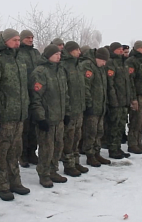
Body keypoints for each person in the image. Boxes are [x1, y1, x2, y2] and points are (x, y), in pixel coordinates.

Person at [0, 29, 30, 201]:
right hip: (3, 115)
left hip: (18, 115)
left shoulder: (19, 59)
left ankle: (15, 182)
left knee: (15, 150)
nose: (18, 43)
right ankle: (2, 185)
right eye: (14, 40)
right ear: (5, 41)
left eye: (18, 40)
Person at [30, 44, 70, 188]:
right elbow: (36, 97)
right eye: (56, 54)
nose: (59, 56)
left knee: (58, 146)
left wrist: (66, 113)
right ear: (48, 55)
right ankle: (44, 174)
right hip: (47, 118)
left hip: (58, 117)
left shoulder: (60, 71)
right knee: (47, 148)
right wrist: (40, 118)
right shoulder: (40, 72)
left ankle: (53, 170)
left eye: (60, 54)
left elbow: (65, 94)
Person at [80, 47, 112, 166]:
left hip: (100, 106)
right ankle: (90, 154)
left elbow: (103, 88)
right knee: (90, 132)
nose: (104, 64)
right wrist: (88, 104)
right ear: (98, 58)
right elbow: (86, 87)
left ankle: (97, 152)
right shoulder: (88, 66)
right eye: (103, 61)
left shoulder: (100, 68)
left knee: (99, 131)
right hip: (92, 107)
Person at [61, 41, 87, 176]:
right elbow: (64, 90)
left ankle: (76, 162)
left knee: (77, 137)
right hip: (70, 110)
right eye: (76, 50)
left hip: (79, 108)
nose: (79, 52)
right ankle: (68, 164)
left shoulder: (77, 65)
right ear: (70, 51)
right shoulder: (64, 66)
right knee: (69, 138)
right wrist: (67, 109)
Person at [105, 42, 133, 159]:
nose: (121, 51)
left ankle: (118, 148)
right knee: (114, 126)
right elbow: (110, 84)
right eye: (118, 49)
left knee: (121, 126)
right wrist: (114, 100)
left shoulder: (124, 63)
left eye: (122, 49)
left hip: (124, 101)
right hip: (116, 101)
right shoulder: (111, 63)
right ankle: (113, 149)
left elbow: (128, 83)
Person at [18, 30, 40, 167]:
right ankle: (23, 155)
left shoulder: (36, 53)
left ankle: (32, 152)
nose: (30, 40)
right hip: (23, 94)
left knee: (34, 126)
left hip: (36, 94)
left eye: (32, 37)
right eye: (27, 38)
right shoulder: (18, 53)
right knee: (24, 128)